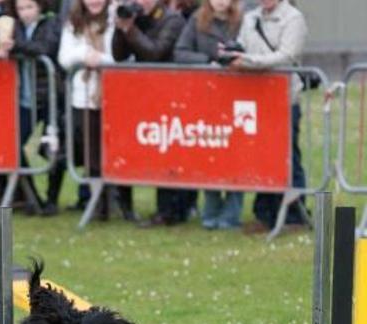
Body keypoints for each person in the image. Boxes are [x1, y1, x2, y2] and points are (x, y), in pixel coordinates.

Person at [221, 0, 308, 232]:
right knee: (262, 155)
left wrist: (248, 62)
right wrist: (230, 51)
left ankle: (294, 215)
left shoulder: (293, 18)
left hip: (285, 97)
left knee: (289, 156)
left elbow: (286, 56)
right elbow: (243, 45)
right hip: (256, 97)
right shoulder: (250, 18)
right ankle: (265, 213)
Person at [55, 0, 133, 220]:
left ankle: (126, 205)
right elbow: (63, 57)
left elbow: (124, 57)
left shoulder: (115, 20)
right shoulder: (73, 23)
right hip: (83, 97)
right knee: (91, 155)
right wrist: (83, 55)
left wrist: (101, 60)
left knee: (118, 152)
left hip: (114, 96)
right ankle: (98, 205)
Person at [112, 0, 187, 227]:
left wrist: (131, 30)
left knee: (165, 151)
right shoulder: (134, 19)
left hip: (167, 95)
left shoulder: (172, 20)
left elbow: (155, 53)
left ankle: (167, 210)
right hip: (138, 94)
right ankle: (125, 205)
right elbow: (119, 56)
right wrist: (121, 28)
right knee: (128, 146)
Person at [173, 0, 243, 230]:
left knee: (235, 156)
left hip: (236, 96)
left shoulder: (243, 21)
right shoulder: (196, 20)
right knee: (211, 156)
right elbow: (180, 53)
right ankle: (210, 211)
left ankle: (231, 214)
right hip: (207, 98)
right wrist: (208, 63)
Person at [0, 0, 60, 214]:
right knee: (12, 146)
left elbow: (45, 48)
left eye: (29, 7)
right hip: (24, 98)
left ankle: (51, 200)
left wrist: (14, 46)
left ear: (40, 7)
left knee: (54, 149)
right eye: (21, 8)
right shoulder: (14, 26)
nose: (25, 13)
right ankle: (30, 196)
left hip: (48, 96)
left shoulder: (51, 24)